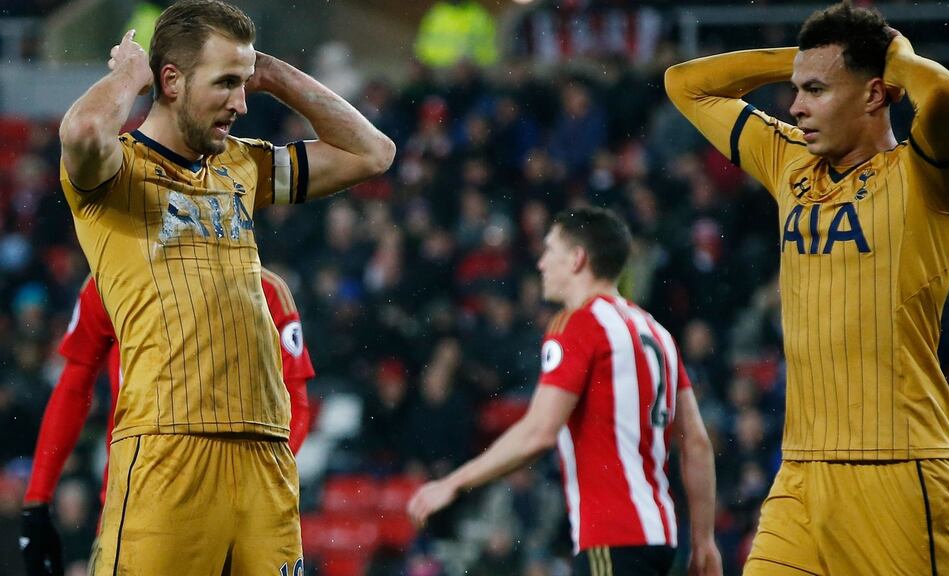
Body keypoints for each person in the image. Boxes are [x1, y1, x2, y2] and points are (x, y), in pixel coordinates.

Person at [57, 0, 394, 572]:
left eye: (244, 83)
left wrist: (274, 75)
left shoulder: (241, 165)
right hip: (169, 448)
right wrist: (127, 75)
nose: (241, 104)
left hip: (266, 453)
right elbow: (85, 128)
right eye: (226, 84)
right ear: (171, 81)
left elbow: (372, 153)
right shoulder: (114, 174)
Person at [665, 3, 949, 575]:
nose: (795, 107)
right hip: (802, 475)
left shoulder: (926, 176)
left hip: (901, 473)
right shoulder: (789, 162)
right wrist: (806, 61)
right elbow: (686, 84)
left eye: (816, 90)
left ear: (874, 95)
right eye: (797, 89)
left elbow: (948, 98)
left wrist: (893, 58)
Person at [408, 207, 722, 576]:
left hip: (612, 535)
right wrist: (704, 542)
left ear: (577, 259)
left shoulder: (578, 324)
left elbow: (539, 433)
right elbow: (696, 443)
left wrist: (454, 483)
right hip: (660, 536)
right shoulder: (656, 331)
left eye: (550, 251)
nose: (541, 263)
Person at [20, 268, 315, 575]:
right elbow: (73, 387)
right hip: (135, 509)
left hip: (237, 519)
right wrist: (37, 500)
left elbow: (296, 403)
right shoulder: (112, 277)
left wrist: (255, 481)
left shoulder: (264, 289)